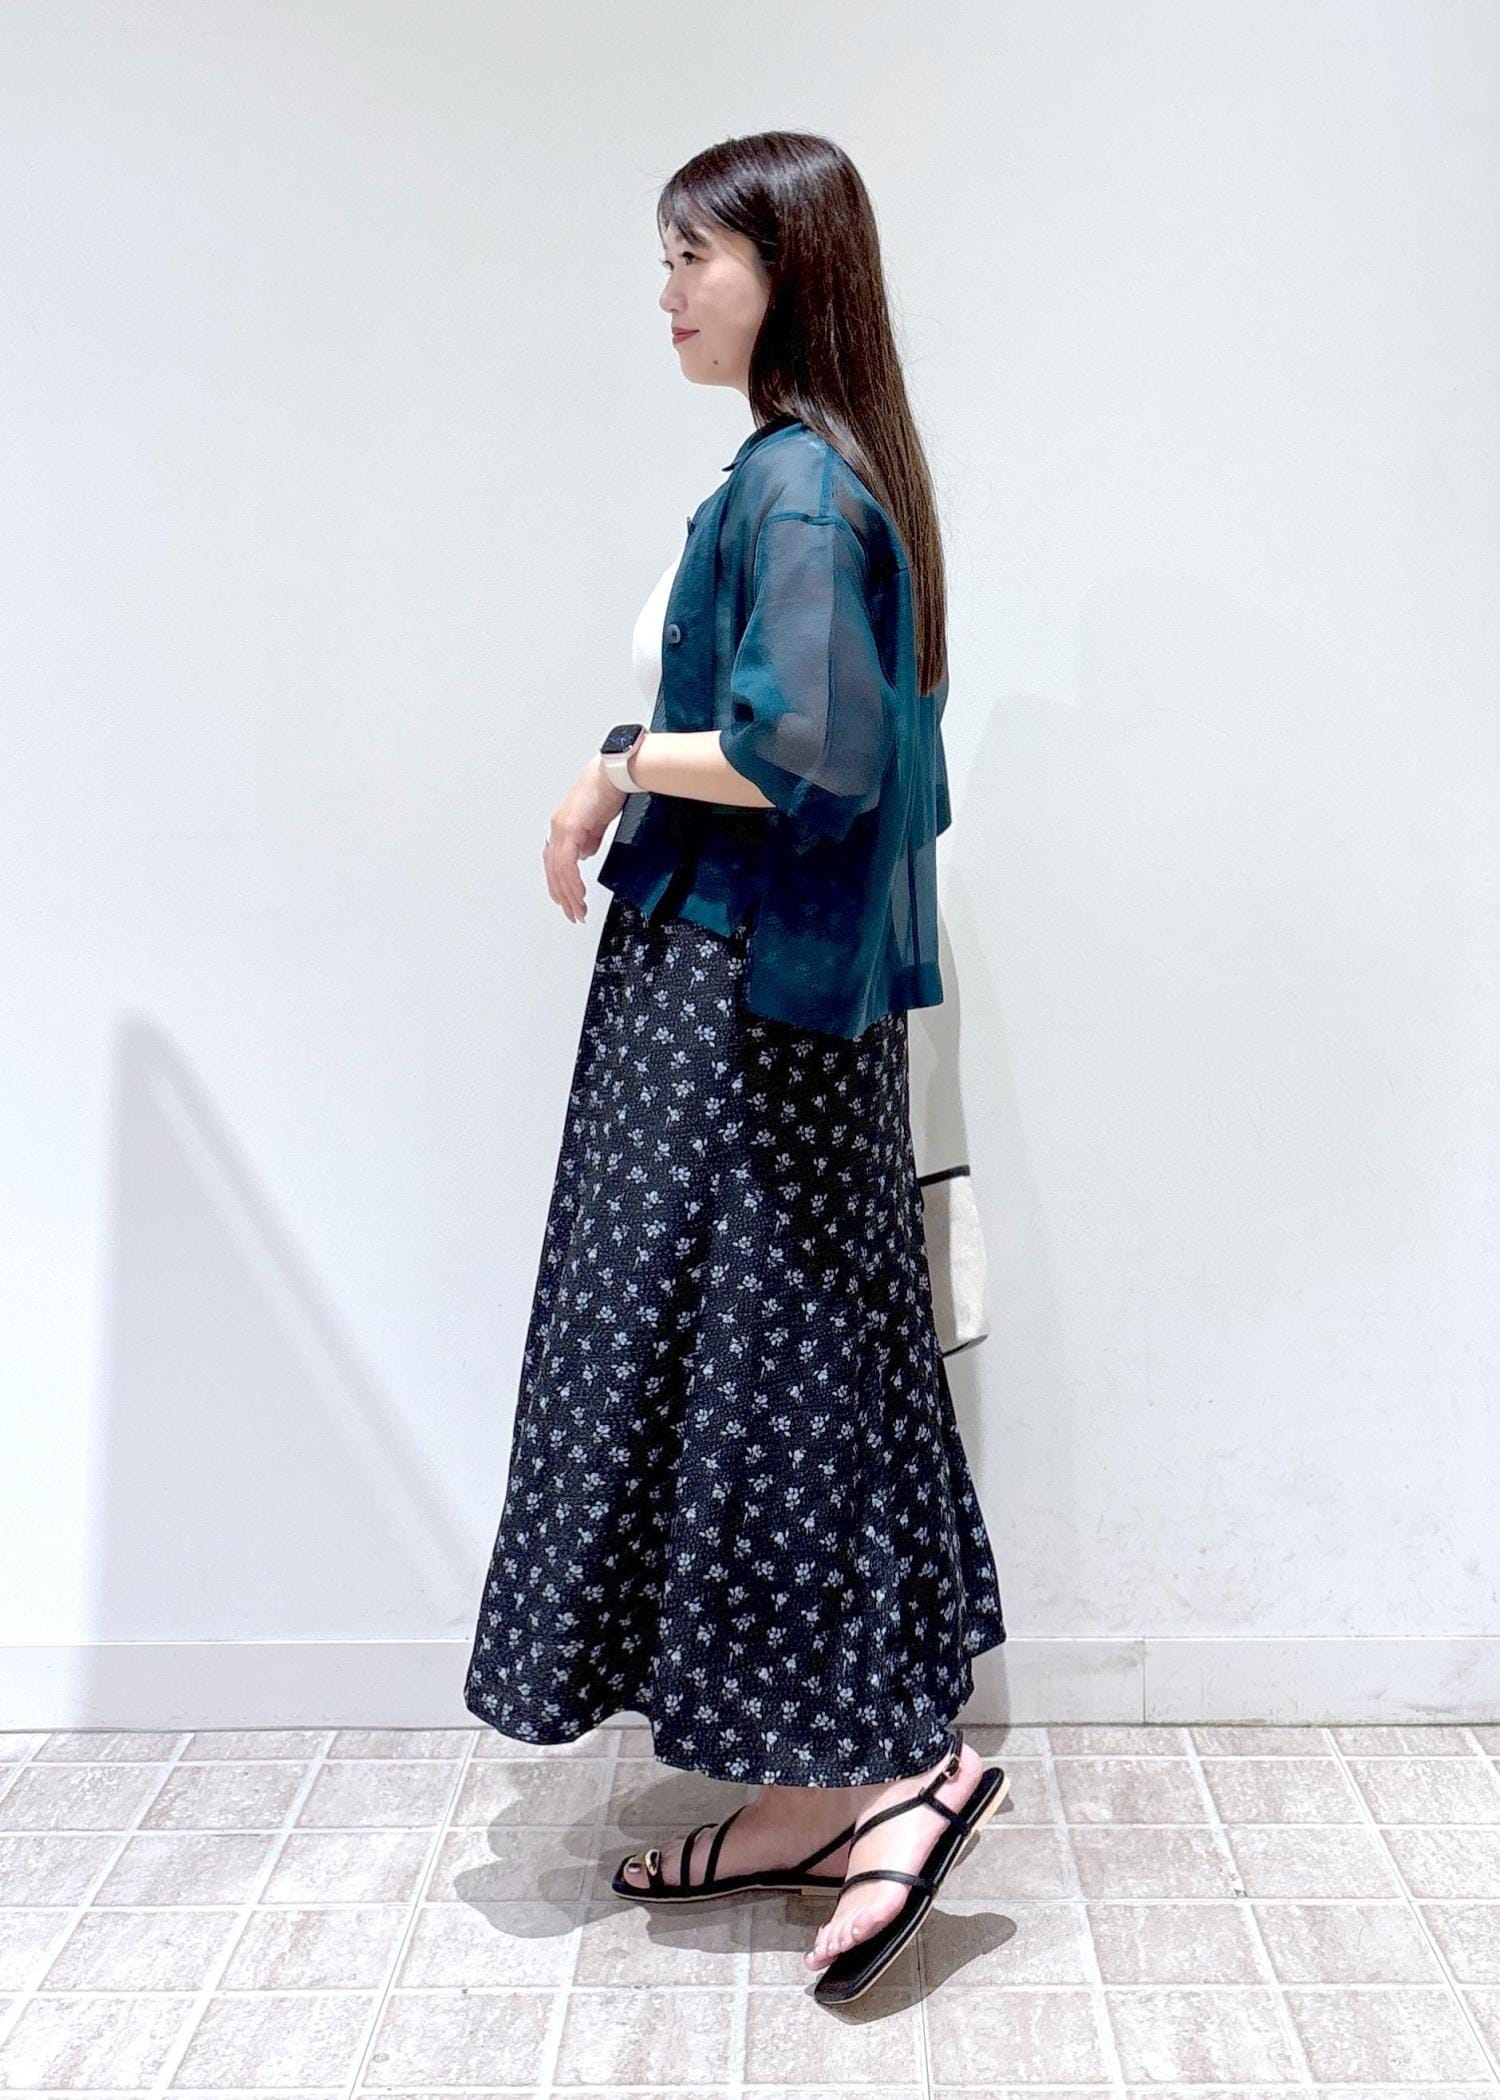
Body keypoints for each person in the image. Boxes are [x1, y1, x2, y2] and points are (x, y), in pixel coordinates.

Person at [463, 130, 1009, 2004]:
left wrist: (615, 761)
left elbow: (808, 751)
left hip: (732, 1009)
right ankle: (818, 1787)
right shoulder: (822, 471)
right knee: (780, 1370)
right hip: (769, 1003)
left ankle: (896, 1779)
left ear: (790, 267)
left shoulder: (793, 484)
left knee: (760, 1374)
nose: (668, 291)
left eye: (696, 254)